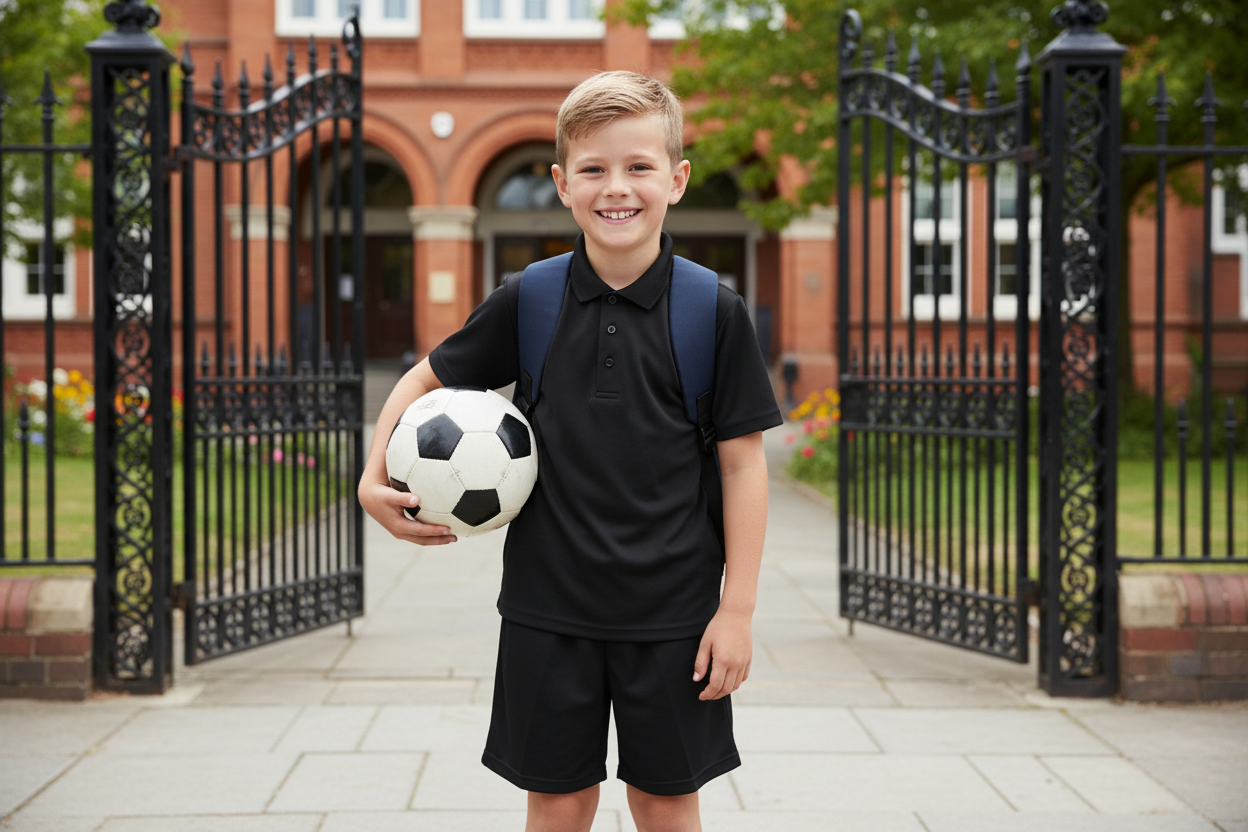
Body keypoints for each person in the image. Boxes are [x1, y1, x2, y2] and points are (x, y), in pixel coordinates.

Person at [358, 70, 781, 832]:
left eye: (638, 166)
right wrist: (370, 473)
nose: (615, 188)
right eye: (593, 169)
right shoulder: (532, 297)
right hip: (547, 609)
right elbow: (424, 375)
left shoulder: (712, 309)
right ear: (561, 183)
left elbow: (743, 464)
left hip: (676, 616)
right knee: (556, 802)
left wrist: (737, 611)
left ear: (677, 180)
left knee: (665, 802)